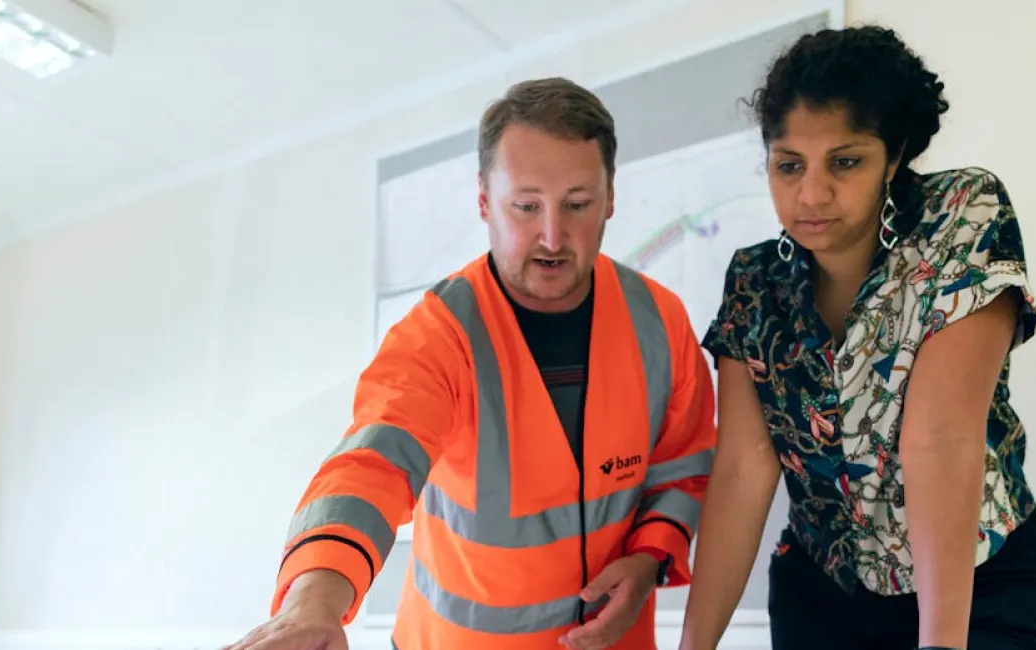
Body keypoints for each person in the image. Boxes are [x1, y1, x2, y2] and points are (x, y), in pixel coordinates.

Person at [225, 77, 718, 650]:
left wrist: (649, 559)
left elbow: (683, 466)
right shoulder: (438, 335)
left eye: (578, 204)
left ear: (611, 198)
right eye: (526, 206)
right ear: (484, 201)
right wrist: (313, 602)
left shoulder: (660, 321)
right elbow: (371, 466)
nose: (552, 236)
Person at [676, 25, 1036, 650]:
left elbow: (939, 440)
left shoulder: (961, 215)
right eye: (788, 165)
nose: (811, 194)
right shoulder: (755, 281)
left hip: (978, 583)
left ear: (894, 154)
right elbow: (745, 469)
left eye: (845, 162)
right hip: (822, 594)